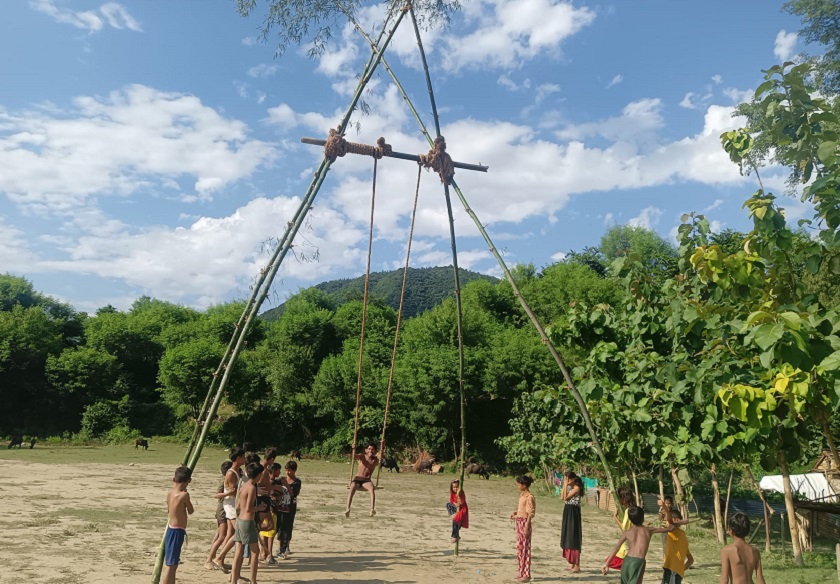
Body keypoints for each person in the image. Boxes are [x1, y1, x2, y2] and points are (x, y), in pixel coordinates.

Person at [602, 506, 675, 584]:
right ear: (643, 518)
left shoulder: (627, 532)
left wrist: (607, 563)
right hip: (638, 561)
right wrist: (680, 522)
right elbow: (671, 529)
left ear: (630, 519)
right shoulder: (649, 530)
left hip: (626, 561)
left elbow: (616, 548)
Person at [230, 462, 266, 584]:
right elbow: (249, 508)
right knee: (255, 552)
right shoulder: (251, 487)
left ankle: (233, 580)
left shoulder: (244, 485)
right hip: (247, 522)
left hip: (240, 520)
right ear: (258, 475)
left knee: (238, 552)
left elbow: (239, 505)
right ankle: (253, 581)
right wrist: (260, 507)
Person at [213, 447, 246, 572]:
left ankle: (221, 559)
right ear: (238, 458)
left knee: (231, 533)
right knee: (239, 532)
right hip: (232, 506)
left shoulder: (237, 471)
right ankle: (219, 557)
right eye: (243, 457)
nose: (244, 459)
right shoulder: (231, 473)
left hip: (234, 504)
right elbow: (233, 492)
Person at [162, 466, 194, 584]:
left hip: (171, 528)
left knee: (172, 564)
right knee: (171, 565)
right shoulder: (184, 495)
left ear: (174, 479)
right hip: (177, 531)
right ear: (188, 481)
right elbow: (191, 510)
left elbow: (168, 510)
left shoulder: (170, 492)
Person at [720, 512, 765, 584]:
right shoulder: (755, 551)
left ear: (731, 531)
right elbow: (760, 578)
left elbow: (724, 579)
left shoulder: (726, 551)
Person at [205, 460, 234, 571]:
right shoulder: (224, 481)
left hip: (225, 509)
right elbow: (216, 495)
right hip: (222, 509)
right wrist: (228, 493)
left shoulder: (228, 480)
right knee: (222, 536)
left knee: (220, 535)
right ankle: (209, 560)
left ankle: (215, 559)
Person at [509, 475, 535, 583]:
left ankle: (526, 574)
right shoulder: (522, 495)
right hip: (519, 522)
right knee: (519, 549)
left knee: (525, 549)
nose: (518, 486)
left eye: (519, 484)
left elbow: (530, 514)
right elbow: (522, 510)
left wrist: (526, 527)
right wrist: (515, 514)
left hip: (525, 524)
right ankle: (521, 572)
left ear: (524, 485)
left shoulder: (529, 497)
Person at [344, 442, 380, 517]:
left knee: (371, 488)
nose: (371, 451)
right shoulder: (362, 456)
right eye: (369, 449)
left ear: (375, 451)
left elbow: (381, 455)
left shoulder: (375, 459)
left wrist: (382, 446)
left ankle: (372, 509)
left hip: (366, 480)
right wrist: (353, 449)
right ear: (366, 450)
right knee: (352, 488)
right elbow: (354, 456)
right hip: (357, 479)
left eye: (373, 449)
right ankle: (347, 509)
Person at [606, 487, 636, 571]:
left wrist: (615, 517)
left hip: (628, 542)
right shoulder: (636, 509)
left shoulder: (628, 511)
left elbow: (624, 529)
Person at [277, 459, 302, 558]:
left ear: (294, 470)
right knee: (280, 527)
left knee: (288, 527)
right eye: (286, 470)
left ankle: (285, 547)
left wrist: (286, 485)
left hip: (290, 507)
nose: (288, 472)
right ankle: (280, 547)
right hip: (280, 506)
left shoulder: (297, 482)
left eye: (290, 470)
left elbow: (293, 494)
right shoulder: (280, 480)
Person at [662, 508, 693, 584]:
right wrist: (681, 570)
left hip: (672, 571)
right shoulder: (682, 534)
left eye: (667, 520)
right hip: (675, 572)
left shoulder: (674, 532)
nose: (665, 522)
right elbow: (690, 560)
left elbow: (690, 560)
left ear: (676, 520)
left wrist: (678, 570)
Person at [560, 471, 584, 573]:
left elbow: (566, 497)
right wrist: (565, 486)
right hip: (568, 511)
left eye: (569, 479)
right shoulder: (569, 488)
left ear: (573, 479)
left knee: (573, 536)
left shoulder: (576, 488)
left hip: (573, 513)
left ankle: (577, 565)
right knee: (568, 536)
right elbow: (562, 497)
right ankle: (572, 564)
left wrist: (565, 485)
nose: (567, 481)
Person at [259, 463, 282, 564]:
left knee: (264, 532)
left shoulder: (268, 482)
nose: (280, 472)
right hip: (271, 509)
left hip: (265, 509)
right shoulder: (271, 483)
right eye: (278, 470)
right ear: (273, 471)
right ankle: (269, 554)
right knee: (271, 532)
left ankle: (263, 553)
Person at [448, 478, 469, 543]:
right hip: (456, 509)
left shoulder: (461, 493)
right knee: (456, 522)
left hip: (462, 509)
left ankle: (454, 535)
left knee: (456, 521)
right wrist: (454, 505)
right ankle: (456, 535)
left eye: (457, 487)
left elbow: (461, 503)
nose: (455, 489)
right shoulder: (452, 493)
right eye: (454, 487)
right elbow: (451, 500)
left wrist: (458, 497)